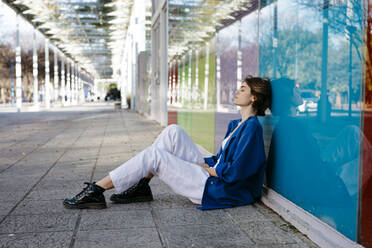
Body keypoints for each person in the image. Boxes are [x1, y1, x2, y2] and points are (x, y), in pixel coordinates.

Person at [63, 76, 272, 210]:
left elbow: (240, 170)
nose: (237, 91)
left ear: (254, 98)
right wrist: (206, 164)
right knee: (173, 131)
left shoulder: (252, 127)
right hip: (211, 176)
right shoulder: (236, 123)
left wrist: (210, 170)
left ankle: (96, 190)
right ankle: (142, 185)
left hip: (218, 188)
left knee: (154, 156)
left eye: (243, 89)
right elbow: (220, 159)